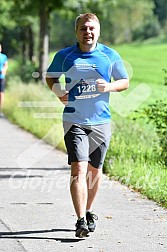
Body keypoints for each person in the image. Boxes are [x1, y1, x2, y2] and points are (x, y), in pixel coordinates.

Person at [46, 13, 129, 238]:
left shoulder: (109, 55)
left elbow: (125, 81)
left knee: (95, 170)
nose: (87, 32)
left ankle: (90, 211)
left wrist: (109, 87)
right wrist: (57, 91)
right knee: (79, 168)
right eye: (83, 28)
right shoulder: (65, 56)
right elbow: (50, 76)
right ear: (76, 31)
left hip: (101, 121)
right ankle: (80, 219)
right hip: (74, 120)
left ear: (98, 31)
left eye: (91, 28)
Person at [0, 43, 8, 117]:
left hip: (1, 77)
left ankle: (0, 110)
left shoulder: (4, 57)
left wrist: (3, 71)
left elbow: (6, 65)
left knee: (1, 93)